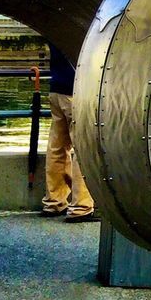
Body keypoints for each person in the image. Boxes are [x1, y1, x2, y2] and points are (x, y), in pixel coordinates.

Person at [41, 44, 96, 222]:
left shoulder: (58, 22)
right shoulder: (84, 24)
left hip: (56, 88)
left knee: (57, 147)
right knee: (84, 148)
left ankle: (54, 201)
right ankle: (81, 207)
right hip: (77, 90)